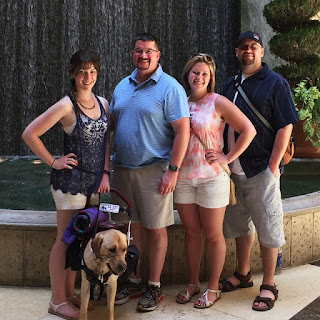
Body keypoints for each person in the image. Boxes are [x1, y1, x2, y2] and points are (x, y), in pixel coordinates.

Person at [22, 50, 110, 320]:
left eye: (92, 71)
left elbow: (106, 140)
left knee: (79, 239)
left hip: (93, 182)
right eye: (82, 71)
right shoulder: (65, 105)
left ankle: (69, 292)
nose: (88, 77)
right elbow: (30, 133)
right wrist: (54, 161)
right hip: (69, 184)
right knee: (65, 240)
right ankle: (56, 300)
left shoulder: (103, 102)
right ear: (73, 73)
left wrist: (105, 173)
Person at [109, 33, 190, 312]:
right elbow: (110, 127)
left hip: (155, 170)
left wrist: (173, 171)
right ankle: (132, 278)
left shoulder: (170, 88)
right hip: (121, 170)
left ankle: (153, 286)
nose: (143, 56)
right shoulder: (121, 86)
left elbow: (183, 131)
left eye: (149, 52)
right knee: (129, 228)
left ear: (158, 55)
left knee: (156, 229)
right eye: (138, 51)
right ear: (132, 53)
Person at [220, 31, 299, 311]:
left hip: (261, 168)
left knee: (268, 226)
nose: (248, 51)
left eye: (253, 47)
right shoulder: (229, 85)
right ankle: (243, 273)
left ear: (261, 52)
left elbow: (286, 125)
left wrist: (273, 165)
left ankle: (268, 283)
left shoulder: (276, 83)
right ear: (236, 51)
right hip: (233, 171)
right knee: (241, 224)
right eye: (243, 47)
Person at [174, 53, 256, 309]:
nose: (199, 77)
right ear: (187, 74)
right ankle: (192, 283)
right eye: (195, 72)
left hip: (212, 178)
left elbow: (248, 130)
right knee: (191, 233)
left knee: (212, 234)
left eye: (204, 74)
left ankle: (212, 288)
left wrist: (227, 156)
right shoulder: (178, 102)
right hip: (184, 178)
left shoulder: (217, 102)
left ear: (210, 79)